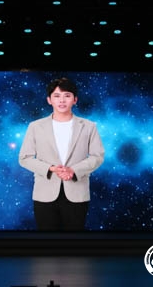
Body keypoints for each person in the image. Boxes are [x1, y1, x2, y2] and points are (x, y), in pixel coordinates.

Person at [18, 77, 105, 231]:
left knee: (74, 239)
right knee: (47, 239)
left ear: (75, 99)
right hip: (45, 193)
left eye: (67, 95)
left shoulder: (89, 126)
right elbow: (24, 158)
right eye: (57, 96)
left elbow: (97, 156)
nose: (62, 100)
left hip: (77, 192)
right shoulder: (35, 126)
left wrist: (73, 170)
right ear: (49, 100)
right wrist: (50, 168)